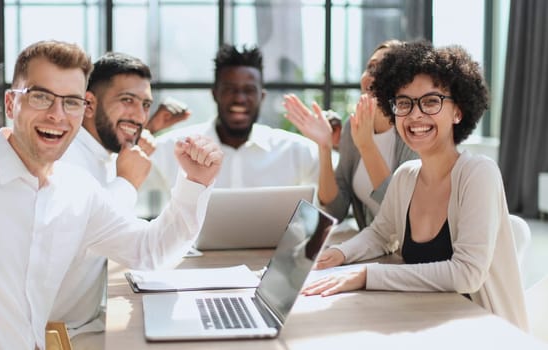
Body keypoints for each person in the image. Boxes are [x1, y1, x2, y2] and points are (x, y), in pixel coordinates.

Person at [0, 40, 223, 349]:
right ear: (12, 104)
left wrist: (195, 182)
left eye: (71, 102)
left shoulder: (78, 191)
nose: (57, 114)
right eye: (41, 97)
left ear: (84, 109)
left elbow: (152, 250)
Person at [301, 40, 528, 330]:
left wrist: (368, 275)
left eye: (431, 101)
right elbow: (381, 234)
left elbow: (466, 274)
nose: (415, 115)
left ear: (457, 111)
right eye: (404, 103)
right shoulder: (406, 175)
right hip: (424, 320)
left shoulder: (478, 173)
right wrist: (341, 253)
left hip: (485, 331)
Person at [50, 52, 182, 349]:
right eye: (127, 100)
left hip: (92, 318)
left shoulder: (105, 153)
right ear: (89, 104)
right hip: (66, 334)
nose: (138, 114)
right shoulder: (66, 159)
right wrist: (128, 182)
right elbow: (93, 225)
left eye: (145, 104)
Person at [141, 44, 319, 202]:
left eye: (249, 90)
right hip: (195, 242)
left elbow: (335, 200)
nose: (239, 99)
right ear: (215, 93)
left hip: (277, 242)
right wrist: (147, 130)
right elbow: (121, 184)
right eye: (229, 89)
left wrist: (327, 145)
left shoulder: (293, 149)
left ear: (262, 96)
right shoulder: (175, 147)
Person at [283, 39, 417, 230]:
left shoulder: (413, 131)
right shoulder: (352, 127)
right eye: (370, 67)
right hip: (371, 249)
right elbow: (335, 210)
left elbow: (398, 211)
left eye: (385, 68)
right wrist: (325, 147)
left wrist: (367, 146)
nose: (373, 74)